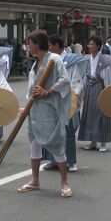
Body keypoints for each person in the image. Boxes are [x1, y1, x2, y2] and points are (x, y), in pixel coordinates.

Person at [17, 31, 72, 198]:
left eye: (30, 43)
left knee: (56, 145)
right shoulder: (35, 64)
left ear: (37, 44)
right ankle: (35, 179)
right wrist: (26, 107)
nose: (28, 46)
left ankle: (64, 182)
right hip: (35, 110)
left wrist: (48, 91)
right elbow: (30, 90)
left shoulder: (54, 59)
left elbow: (65, 79)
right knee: (34, 144)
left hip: (49, 109)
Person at [44, 34, 86, 172]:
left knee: (67, 131)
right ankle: (53, 159)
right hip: (52, 98)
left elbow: (77, 82)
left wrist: (74, 97)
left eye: (50, 45)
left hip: (67, 98)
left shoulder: (71, 60)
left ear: (56, 46)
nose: (48, 48)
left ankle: (71, 161)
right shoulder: (49, 60)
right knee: (51, 129)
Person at [78, 36, 111, 152]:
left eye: (92, 44)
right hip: (90, 88)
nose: (90, 46)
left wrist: (108, 91)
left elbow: (108, 76)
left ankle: (103, 142)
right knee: (90, 114)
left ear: (99, 46)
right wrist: (83, 91)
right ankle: (92, 141)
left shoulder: (105, 60)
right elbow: (84, 76)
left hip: (100, 87)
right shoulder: (86, 58)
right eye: (89, 44)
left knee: (102, 114)